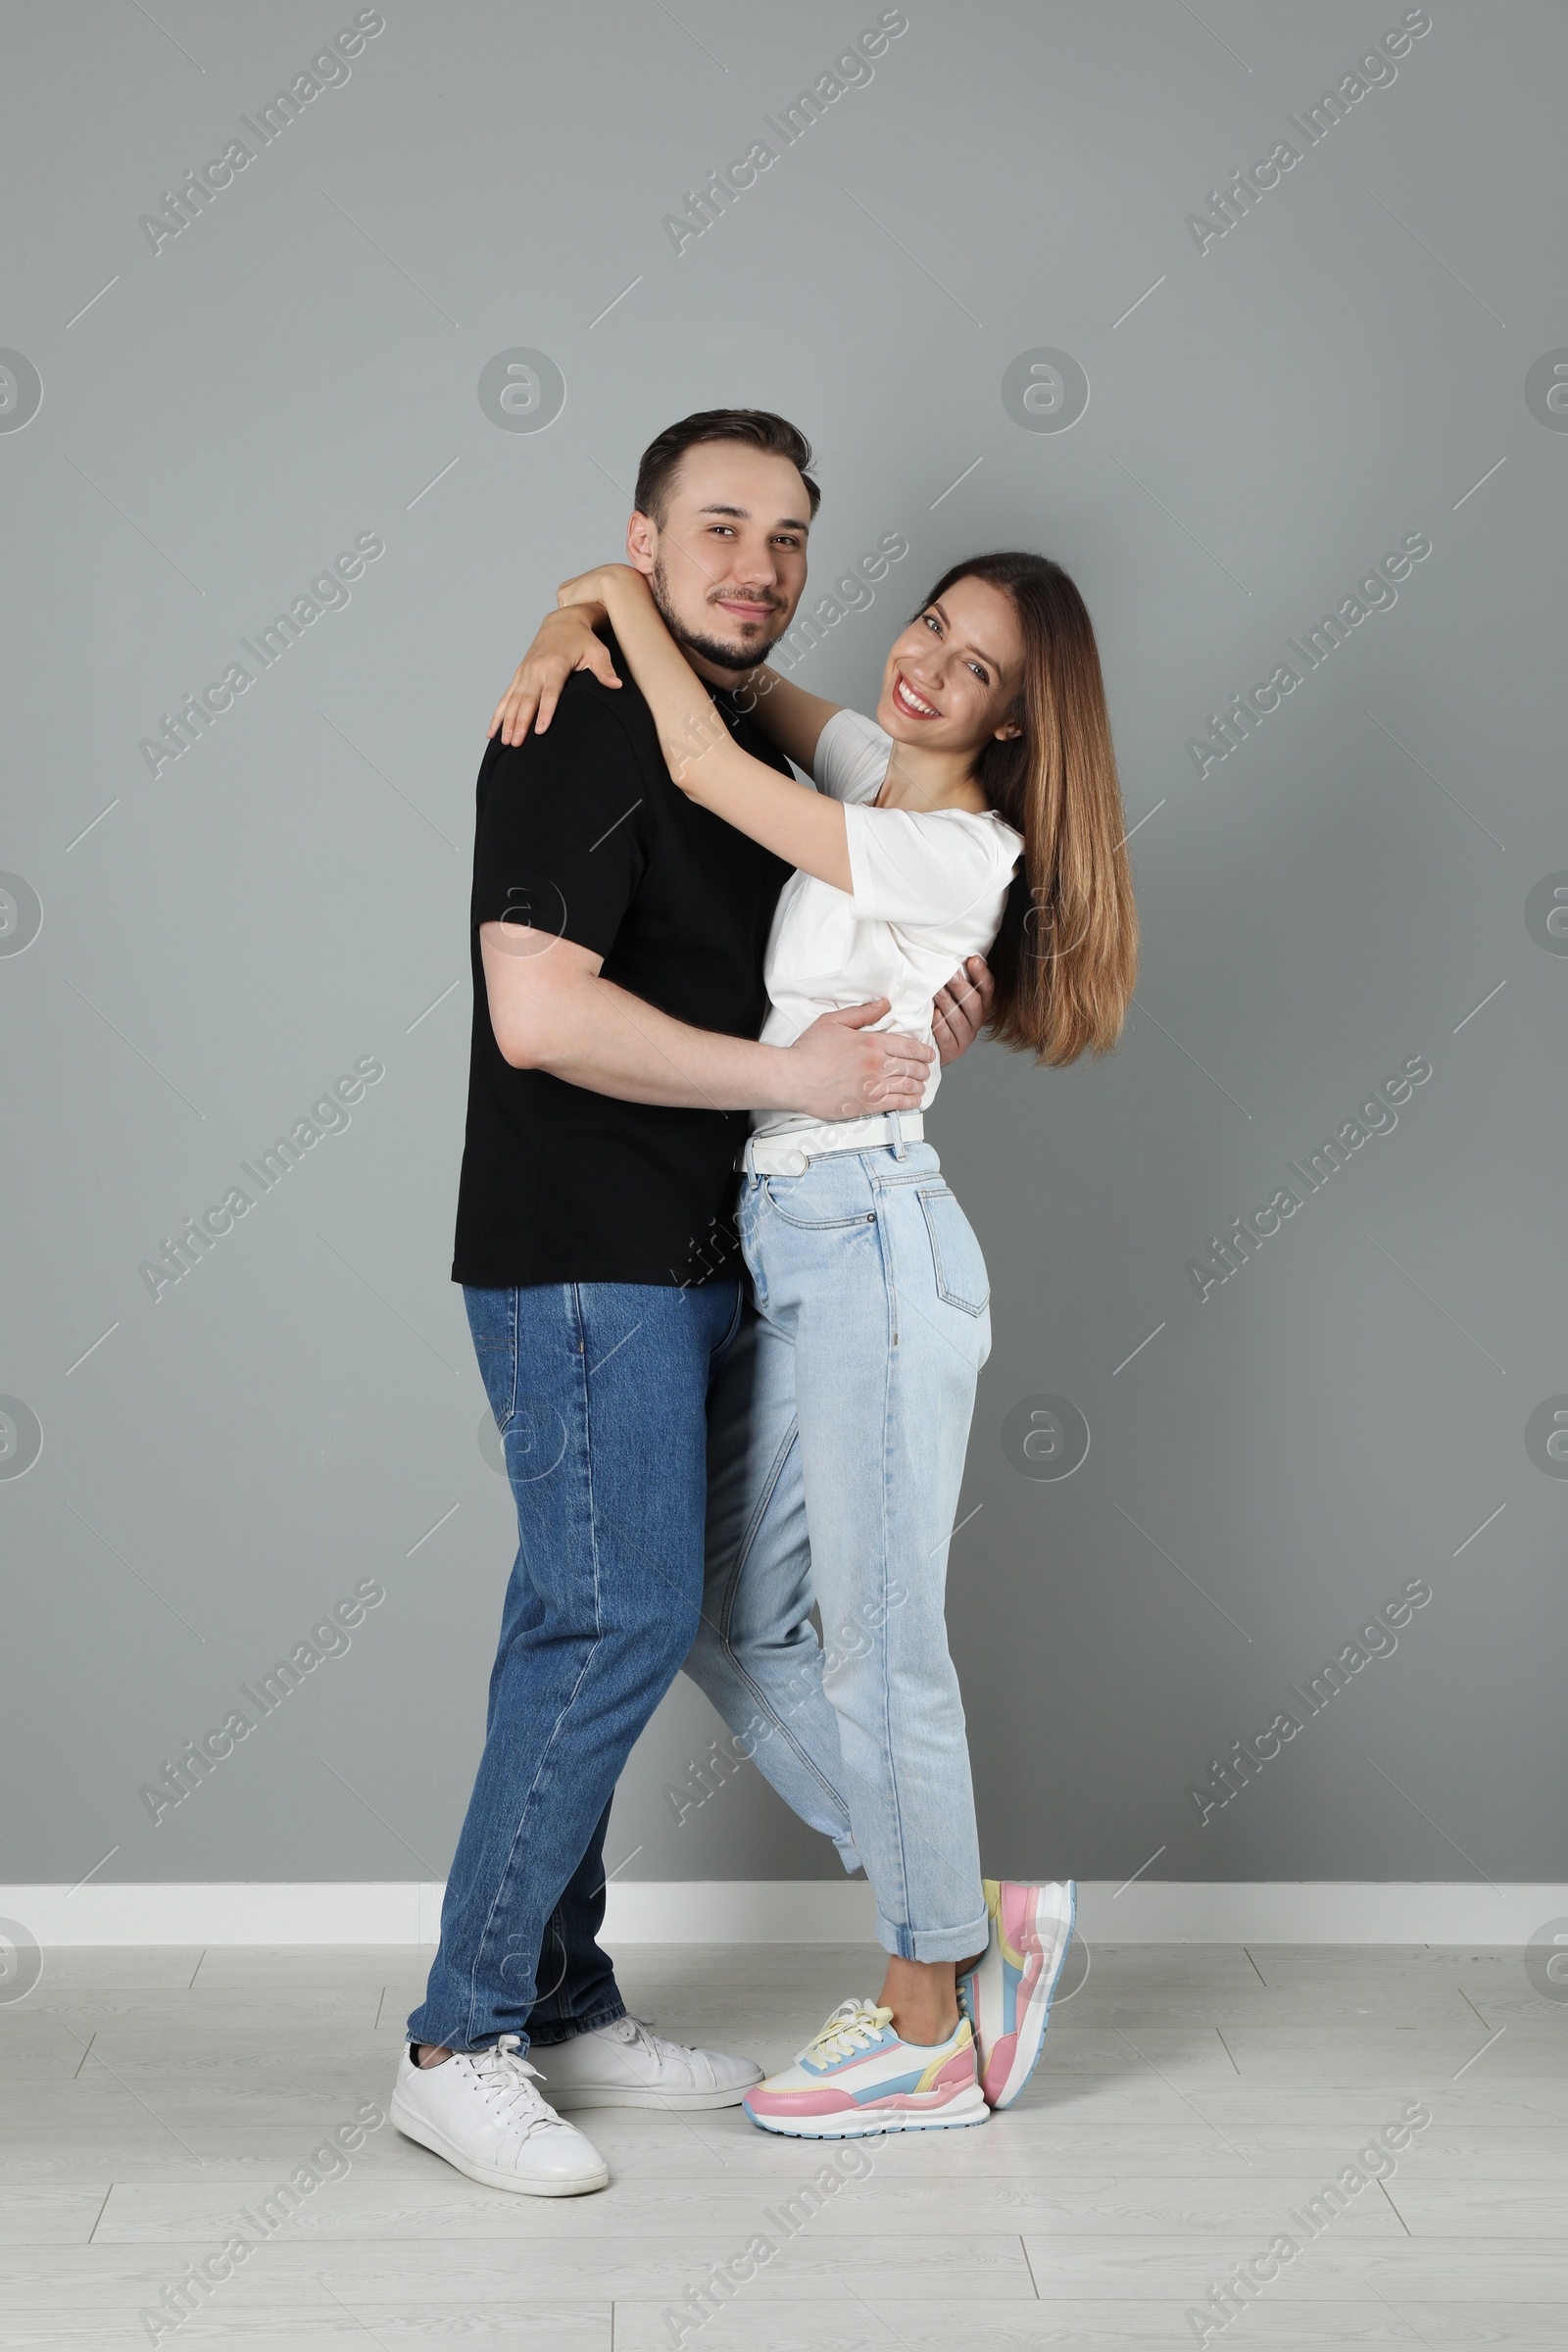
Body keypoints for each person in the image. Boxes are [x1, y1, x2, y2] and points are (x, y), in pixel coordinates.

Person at [391, 410, 996, 2197]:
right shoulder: (579, 723)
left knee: (590, 1616)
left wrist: (910, 1017)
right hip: (585, 1254)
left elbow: (848, 922)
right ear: (645, 541)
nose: (761, 565)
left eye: (791, 538)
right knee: (616, 1621)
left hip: (718, 1250)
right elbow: (541, 1017)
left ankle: (563, 2000)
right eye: (718, 528)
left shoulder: (722, 727)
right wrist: (790, 1082)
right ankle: (459, 2039)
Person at [491, 538, 1138, 2134]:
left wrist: (601, 598)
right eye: (929, 626)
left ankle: (930, 2020)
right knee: (722, 1615)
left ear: (1011, 728)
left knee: (880, 1644)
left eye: (972, 668)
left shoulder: (953, 850)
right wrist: (563, 613)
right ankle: (975, 1917)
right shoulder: (882, 773)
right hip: (795, 1236)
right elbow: (750, 683)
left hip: (869, 1240)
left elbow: (708, 755)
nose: (922, 665)